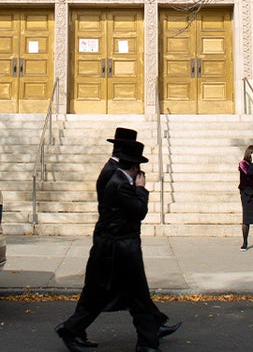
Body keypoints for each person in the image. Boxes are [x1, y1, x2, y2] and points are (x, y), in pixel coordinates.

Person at [56, 133, 180, 352]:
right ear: (133, 165)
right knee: (116, 294)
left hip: (118, 245)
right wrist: (141, 189)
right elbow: (138, 211)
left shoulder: (120, 178)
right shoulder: (119, 182)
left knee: (134, 295)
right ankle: (146, 339)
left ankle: (150, 332)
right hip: (118, 247)